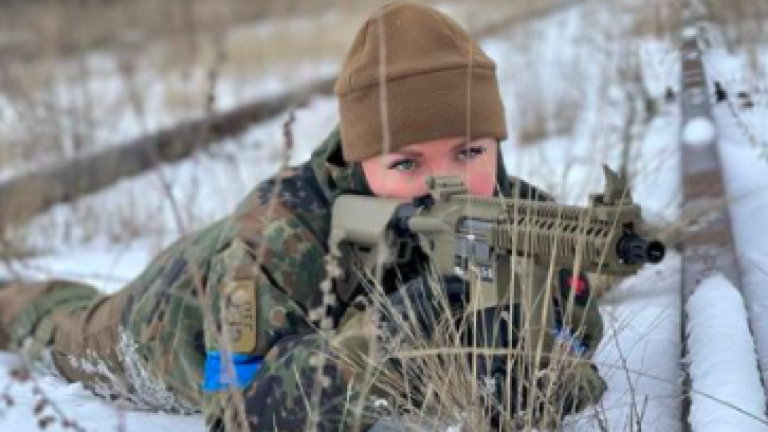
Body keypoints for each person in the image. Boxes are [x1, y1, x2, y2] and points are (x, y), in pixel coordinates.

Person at [0, 2, 606, 430]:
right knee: (55, 326)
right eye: (406, 162)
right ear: (360, 157)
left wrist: (528, 348)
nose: (440, 183)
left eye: (470, 151)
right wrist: (392, 335)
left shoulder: (517, 213)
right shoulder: (275, 238)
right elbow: (238, 416)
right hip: (168, 318)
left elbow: (577, 329)